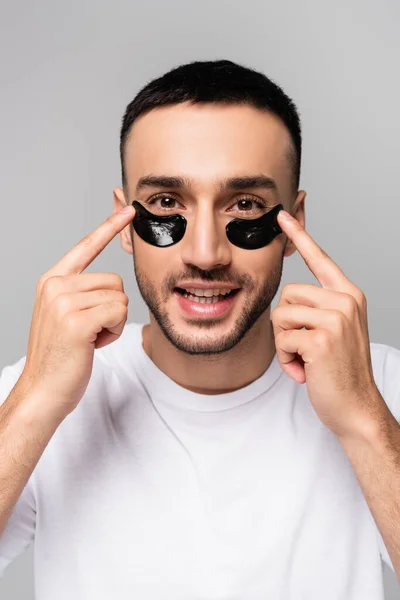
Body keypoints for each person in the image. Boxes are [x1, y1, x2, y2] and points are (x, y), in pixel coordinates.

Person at [0, 59, 399, 600]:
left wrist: (365, 422)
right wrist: (35, 400)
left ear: (293, 225)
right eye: (166, 203)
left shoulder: (380, 388)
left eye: (245, 205)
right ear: (124, 222)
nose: (205, 254)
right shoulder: (39, 395)